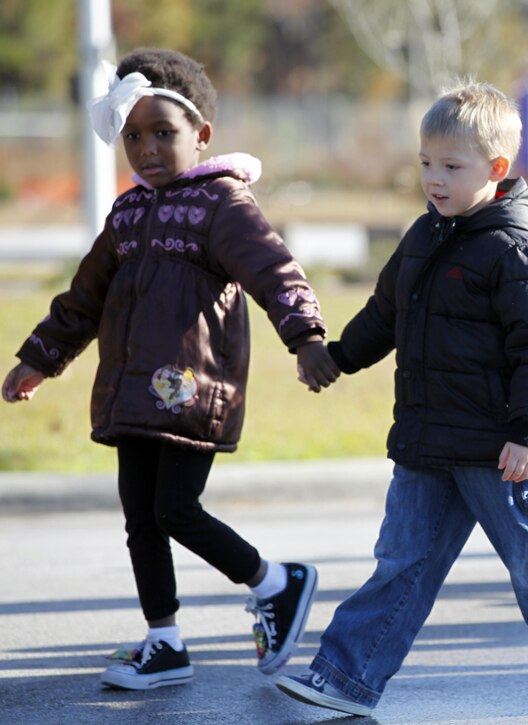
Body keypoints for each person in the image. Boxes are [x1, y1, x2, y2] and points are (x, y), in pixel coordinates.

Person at [274, 81, 528, 718]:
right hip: (426, 438)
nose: (434, 179)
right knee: (400, 563)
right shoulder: (425, 233)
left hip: (499, 446)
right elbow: (387, 311)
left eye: (451, 167)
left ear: (497, 169)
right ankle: (347, 677)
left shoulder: (512, 245)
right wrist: (339, 358)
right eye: (426, 164)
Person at [1, 48, 338, 690]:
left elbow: (273, 267)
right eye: (133, 135)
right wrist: (37, 359)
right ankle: (165, 641)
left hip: (189, 389)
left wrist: (305, 336)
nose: (147, 148)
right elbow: (84, 299)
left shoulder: (221, 204)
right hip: (130, 392)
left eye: (163, 133)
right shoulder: (127, 214)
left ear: (201, 135)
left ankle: (275, 582)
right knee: (140, 518)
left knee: (176, 510)